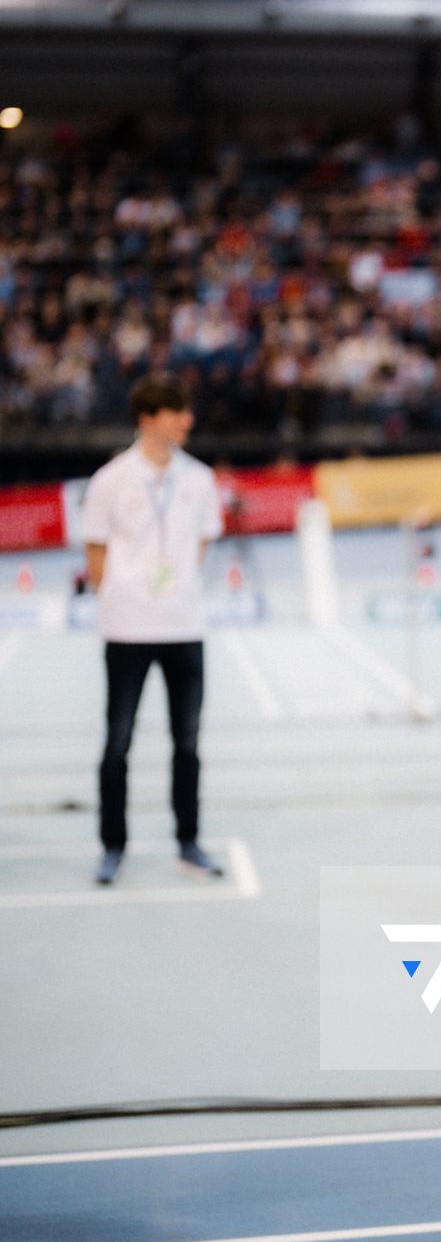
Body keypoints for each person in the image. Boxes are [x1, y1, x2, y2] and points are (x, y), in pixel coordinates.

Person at [82, 374, 226, 886]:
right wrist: (123, 596)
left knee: (187, 742)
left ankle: (188, 840)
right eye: (176, 411)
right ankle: (112, 845)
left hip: (185, 627)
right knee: (117, 742)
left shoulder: (200, 480)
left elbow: (204, 542)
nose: (187, 420)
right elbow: (95, 550)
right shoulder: (111, 480)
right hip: (127, 629)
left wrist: (175, 590)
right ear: (148, 418)